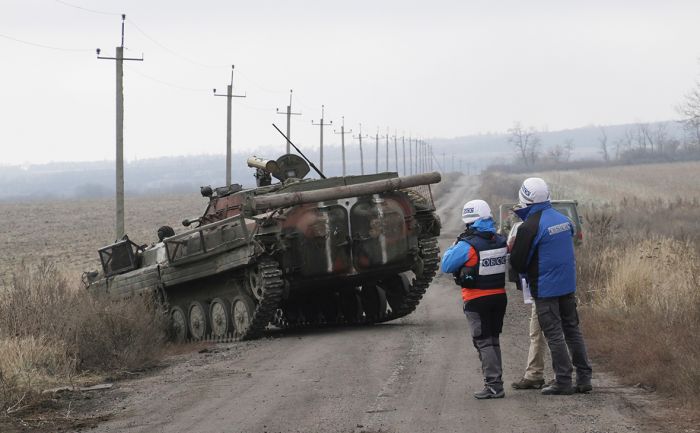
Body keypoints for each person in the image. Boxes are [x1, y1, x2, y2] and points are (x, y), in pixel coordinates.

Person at [510, 177, 593, 395]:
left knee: (554, 334)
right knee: (572, 331)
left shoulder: (529, 227)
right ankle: (584, 379)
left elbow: (517, 262)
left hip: (545, 288)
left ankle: (563, 381)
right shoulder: (563, 220)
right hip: (567, 286)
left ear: (524, 197)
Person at [441, 199, 508, 399]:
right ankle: (497, 382)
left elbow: (446, 265)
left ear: (469, 221)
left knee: (483, 341)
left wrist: (455, 245)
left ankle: (494, 385)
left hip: (477, 299)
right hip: (499, 296)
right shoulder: (500, 240)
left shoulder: (467, 245)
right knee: (493, 340)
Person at [508, 221, 549, 390]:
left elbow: (517, 259)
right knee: (565, 331)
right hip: (560, 287)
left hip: (542, 289)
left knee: (539, 332)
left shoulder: (524, 228)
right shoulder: (561, 224)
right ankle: (576, 375)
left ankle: (535, 375)